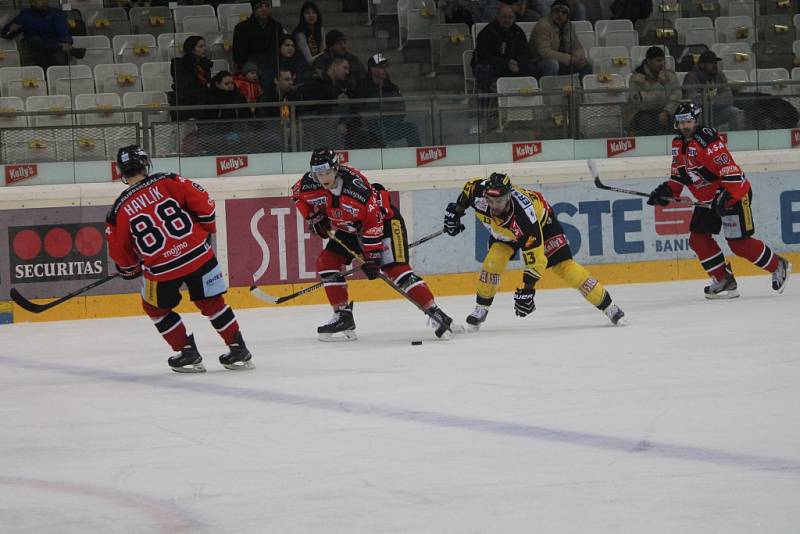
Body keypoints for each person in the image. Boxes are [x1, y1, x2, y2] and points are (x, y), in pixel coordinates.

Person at [105, 145, 254, 373]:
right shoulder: (169, 180)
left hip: (162, 269)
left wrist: (130, 269)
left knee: (154, 307)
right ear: (146, 164)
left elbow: (120, 252)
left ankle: (187, 353)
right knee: (212, 303)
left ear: (121, 172)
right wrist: (205, 232)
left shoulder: (117, 210)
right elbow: (204, 203)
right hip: (199, 255)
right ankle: (238, 349)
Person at [291, 148, 457, 341]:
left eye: (327, 173)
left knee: (395, 269)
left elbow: (373, 222)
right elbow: (296, 196)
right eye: (319, 174)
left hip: (384, 222)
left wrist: (372, 257)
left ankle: (435, 313)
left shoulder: (356, 192)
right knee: (327, 261)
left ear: (336, 169)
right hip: (350, 227)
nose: (323, 178)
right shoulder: (308, 184)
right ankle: (342, 315)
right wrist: (313, 217)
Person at [443, 172, 626, 329]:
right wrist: (455, 215)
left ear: (509, 196)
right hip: (505, 232)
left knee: (566, 268)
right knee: (493, 261)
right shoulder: (477, 191)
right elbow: (466, 196)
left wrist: (528, 290)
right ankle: (481, 308)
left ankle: (609, 307)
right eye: (490, 200)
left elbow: (537, 260)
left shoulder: (525, 219)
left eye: (499, 201)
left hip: (542, 225)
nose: (494, 205)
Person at [647, 103, 792, 299]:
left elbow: (729, 168)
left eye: (689, 121)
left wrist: (725, 196)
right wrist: (666, 191)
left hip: (733, 196)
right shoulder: (677, 144)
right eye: (681, 122)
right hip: (708, 201)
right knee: (698, 239)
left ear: (696, 121)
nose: (685, 126)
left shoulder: (708, 141)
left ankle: (778, 265)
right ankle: (724, 280)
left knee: (739, 244)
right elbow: (679, 174)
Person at [356, 53, 421, 147]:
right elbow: (359, 109)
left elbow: (401, 109)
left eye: (386, 67)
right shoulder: (362, 87)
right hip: (370, 129)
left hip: (390, 127)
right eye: (382, 67)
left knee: (411, 127)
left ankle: (417, 156)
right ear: (372, 69)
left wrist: (388, 122)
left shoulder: (392, 87)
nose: (385, 70)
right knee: (373, 126)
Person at [1, 0, 84, 69]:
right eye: (41, 0)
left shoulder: (56, 14)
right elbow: (6, 34)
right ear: (32, 2)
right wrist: (11, 30)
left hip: (56, 50)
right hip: (36, 50)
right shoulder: (25, 15)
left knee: (58, 58)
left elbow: (65, 36)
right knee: (35, 40)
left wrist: (64, 43)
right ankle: (61, 47)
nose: (45, 2)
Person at [473, 3, 533, 94]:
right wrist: (506, 63)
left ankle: (526, 98)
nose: (507, 20)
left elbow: (524, 52)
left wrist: (517, 62)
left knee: (529, 68)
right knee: (487, 69)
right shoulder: (487, 32)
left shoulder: (518, 31)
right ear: (498, 17)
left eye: (510, 17)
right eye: (504, 17)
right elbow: (483, 55)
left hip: (512, 64)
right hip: (492, 64)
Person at [682, 50, 745, 131]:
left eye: (715, 63)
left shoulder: (720, 75)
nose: (715, 65)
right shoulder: (691, 77)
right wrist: (710, 98)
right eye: (711, 63)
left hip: (716, 112)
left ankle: (738, 139)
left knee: (735, 112)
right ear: (702, 65)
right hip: (698, 115)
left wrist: (709, 98)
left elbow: (729, 98)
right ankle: (699, 140)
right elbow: (693, 102)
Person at [625, 46, 681, 136]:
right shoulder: (636, 78)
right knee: (647, 120)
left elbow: (676, 95)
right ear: (649, 61)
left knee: (679, 118)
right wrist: (659, 84)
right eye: (658, 60)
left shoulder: (669, 76)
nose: (662, 64)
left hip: (665, 112)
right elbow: (642, 104)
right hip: (643, 114)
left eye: (663, 61)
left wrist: (666, 111)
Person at [529, 0, 590, 79]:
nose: (560, 15)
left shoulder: (570, 26)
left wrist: (579, 58)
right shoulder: (543, 25)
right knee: (552, 64)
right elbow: (544, 52)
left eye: (563, 13)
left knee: (587, 64)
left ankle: (583, 90)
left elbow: (576, 47)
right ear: (551, 13)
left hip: (563, 60)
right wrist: (571, 59)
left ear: (567, 15)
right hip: (540, 61)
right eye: (557, 12)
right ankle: (547, 90)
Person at [232, 0, 284, 72]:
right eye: (260, 6)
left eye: (266, 6)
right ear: (254, 9)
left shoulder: (276, 26)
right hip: (250, 67)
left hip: (273, 66)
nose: (264, 9)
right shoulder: (241, 28)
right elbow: (238, 55)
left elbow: (280, 48)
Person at [169, 35, 212, 120]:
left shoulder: (205, 64)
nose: (204, 49)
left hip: (203, 100)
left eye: (204, 46)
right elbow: (183, 84)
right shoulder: (179, 64)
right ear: (191, 48)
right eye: (200, 46)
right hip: (186, 101)